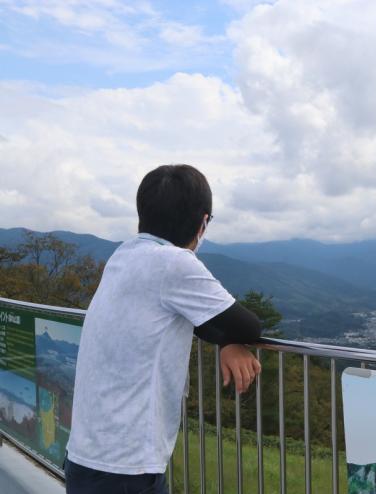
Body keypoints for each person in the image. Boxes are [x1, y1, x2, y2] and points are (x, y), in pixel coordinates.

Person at [65, 164, 262, 494]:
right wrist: (232, 340)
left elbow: (192, 318)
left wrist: (225, 342)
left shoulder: (125, 255)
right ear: (203, 222)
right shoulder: (174, 263)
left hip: (89, 458)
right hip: (125, 469)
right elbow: (248, 325)